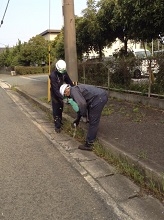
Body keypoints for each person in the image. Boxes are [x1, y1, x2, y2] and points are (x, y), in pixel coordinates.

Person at [59, 84, 108, 151]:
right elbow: (81, 107)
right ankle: (91, 136)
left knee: (93, 120)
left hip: (99, 98)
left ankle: (89, 144)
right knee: (91, 117)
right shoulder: (74, 90)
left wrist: (84, 115)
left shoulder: (73, 92)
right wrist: (78, 119)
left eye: (65, 93)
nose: (66, 95)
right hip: (96, 97)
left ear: (67, 89)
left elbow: (82, 104)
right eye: (64, 95)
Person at [49, 59, 74, 133]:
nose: (61, 73)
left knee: (61, 108)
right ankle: (57, 125)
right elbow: (55, 89)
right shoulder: (53, 75)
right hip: (55, 93)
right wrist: (63, 98)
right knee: (56, 109)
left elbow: (69, 81)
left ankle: (60, 120)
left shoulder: (64, 72)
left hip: (61, 91)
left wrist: (74, 90)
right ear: (56, 68)